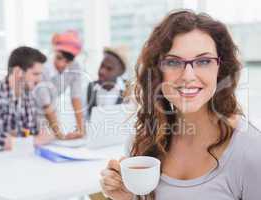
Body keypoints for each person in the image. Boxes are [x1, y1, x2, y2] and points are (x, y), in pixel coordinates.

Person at [100, 10, 261, 200]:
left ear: (220, 69)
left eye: (203, 61)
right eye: (173, 62)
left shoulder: (251, 150)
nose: (188, 76)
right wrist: (124, 197)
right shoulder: (142, 141)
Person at [33, 30, 84, 140]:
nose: (62, 64)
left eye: (67, 61)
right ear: (54, 51)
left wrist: (81, 129)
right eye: (59, 58)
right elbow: (46, 105)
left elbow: (76, 97)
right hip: (33, 114)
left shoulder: (75, 67)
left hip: (52, 115)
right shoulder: (43, 68)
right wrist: (60, 135)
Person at [86, 47, 129, 119]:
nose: (102, 71)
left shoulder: (129, 90)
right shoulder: (90, 87)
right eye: (102, 66)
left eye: (109, 68)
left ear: (120, 72)